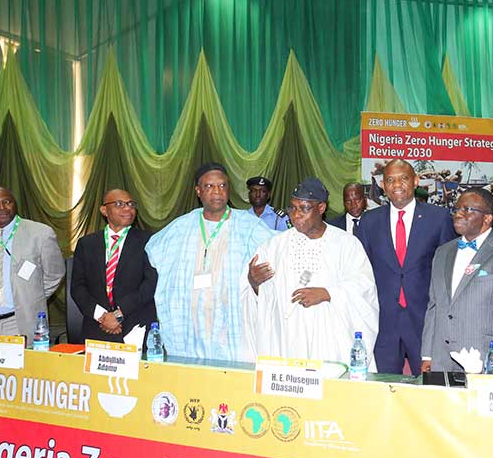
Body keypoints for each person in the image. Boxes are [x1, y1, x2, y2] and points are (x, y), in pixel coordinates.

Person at [145, 163, 274, 361]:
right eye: (209, 186)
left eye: (222, 186)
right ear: (198, 191)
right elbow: (152, 254)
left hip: (231, 328)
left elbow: (276, 252)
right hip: (188, 328)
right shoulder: (181, 226)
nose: (217, 192)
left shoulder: (249, 227)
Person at [242, 178, 378, 365]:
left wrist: (328, 293)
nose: (296, 215)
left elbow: (364, 289)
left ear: (321, 208)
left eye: (304, 208)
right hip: (288, 345)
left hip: (330, 347)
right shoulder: (274, 247)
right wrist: (254, 284)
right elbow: (262, 302)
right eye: (293, 208)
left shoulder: (346, 244)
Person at [358, 159, 456, 374]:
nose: (397, 185)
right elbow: (361, 271)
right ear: (383, 186)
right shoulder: (369, 221)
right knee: (383, 389)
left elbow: (448, 272)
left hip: (425, 322)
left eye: (403, 178)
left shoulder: (438, 218)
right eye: (390, 180)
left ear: (416, 181)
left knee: (429, 390)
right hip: (383, 321)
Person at [420, 188, 493, 374]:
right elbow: (434, 306)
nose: (458, 214)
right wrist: (428, 355)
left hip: (488, 365)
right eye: (456, 209)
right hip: (442, 363)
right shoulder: (442, 253)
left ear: (487, 218)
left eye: (467, 209)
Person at [0, 185, 65, 342]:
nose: (2, 208)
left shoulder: (41, 234)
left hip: (20, 322)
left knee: (25, 367)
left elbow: (54, 274)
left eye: (7, 201)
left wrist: (30, 296)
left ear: (14, 203)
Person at [71, 189, 157, 350]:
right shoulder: (87, 244)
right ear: (104, 210)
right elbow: (78, 287)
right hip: (97, 327)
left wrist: (118, 314)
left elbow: (150, 284)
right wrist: (102, 317)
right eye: (119, 204)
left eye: (131, 204)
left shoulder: (149, 241)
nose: (127, 209)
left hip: (135, 326)